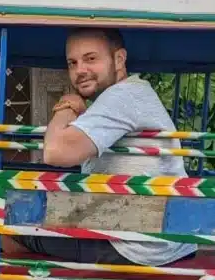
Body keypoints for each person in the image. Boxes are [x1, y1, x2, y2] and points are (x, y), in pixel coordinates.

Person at [13, 27, 196, 267]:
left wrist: (67, 104)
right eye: (72, 63)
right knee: (25, 209)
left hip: (134, 245)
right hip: (162, 236)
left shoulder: (122, 97)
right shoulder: (132, 94)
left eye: (90, 59)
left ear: (119, 59)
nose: (80, 71)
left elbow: (55, 151)